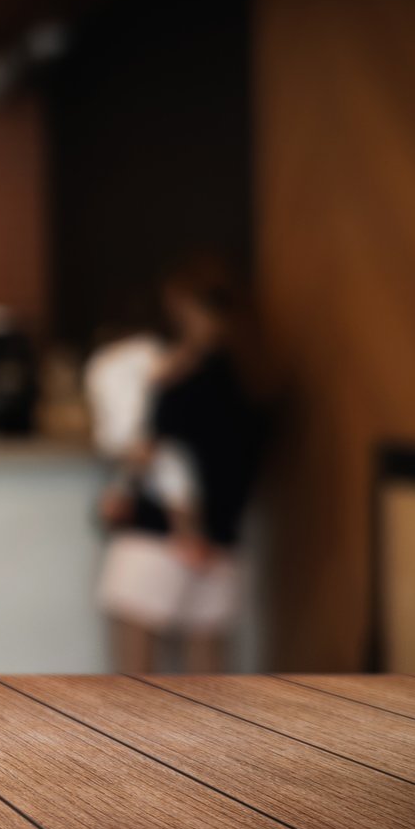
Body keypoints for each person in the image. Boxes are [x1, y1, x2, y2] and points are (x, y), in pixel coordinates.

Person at [91, 261, 264, 673]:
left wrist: (128, 487)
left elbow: (154, 453)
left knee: (134, 690)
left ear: (185, 307)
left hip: (162, 537)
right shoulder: (254, 377)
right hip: (223, 542)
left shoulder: (182, 379)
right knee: (212, 699)